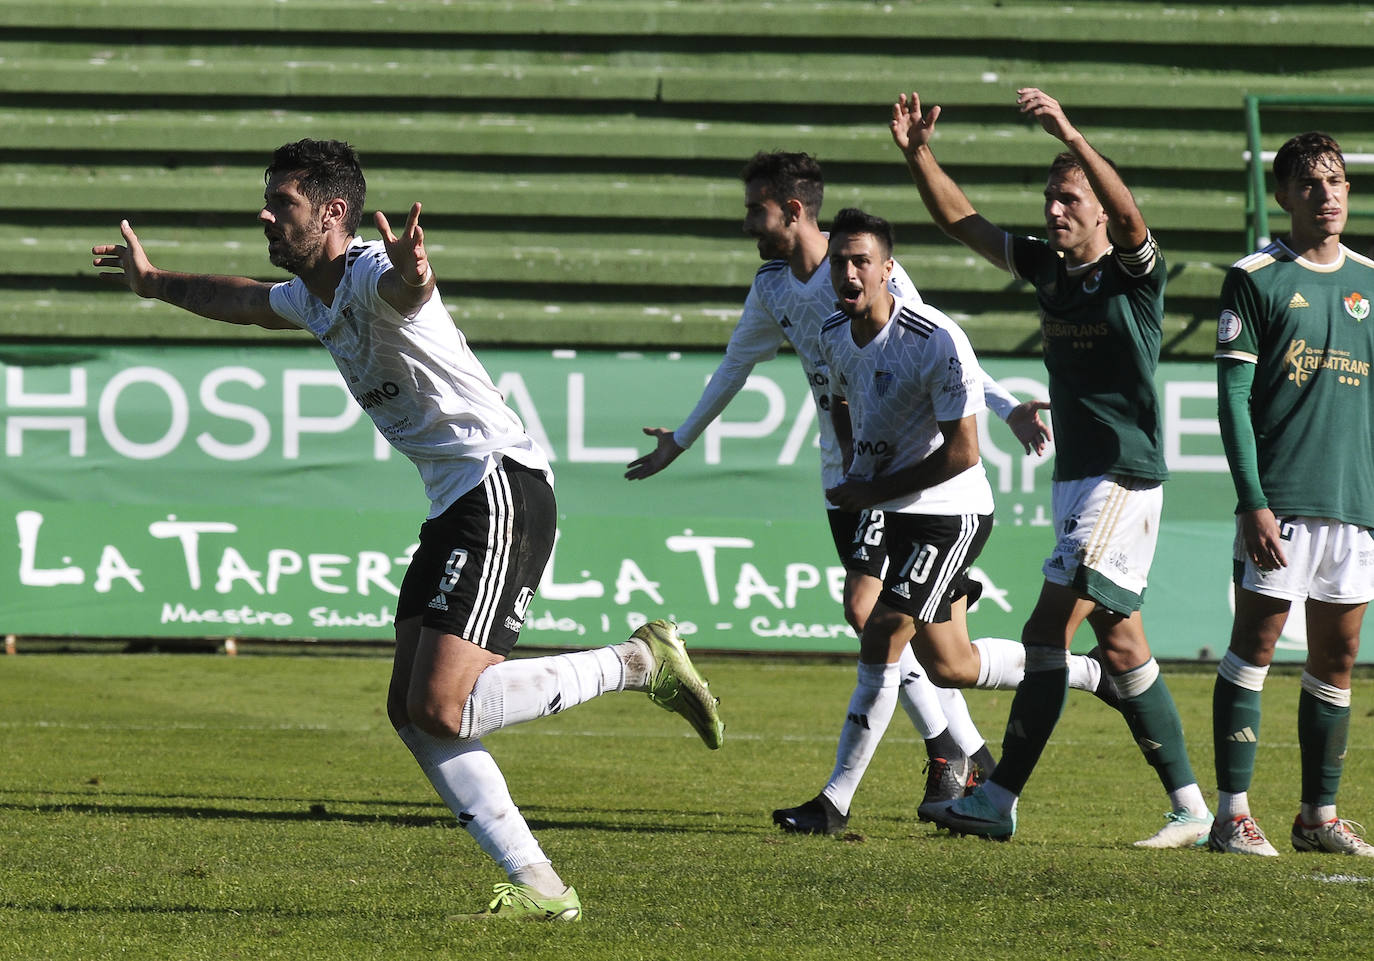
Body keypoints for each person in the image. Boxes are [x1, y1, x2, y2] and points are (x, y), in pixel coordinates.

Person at [91, 138, 725, 920]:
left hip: (498, 485)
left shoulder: (364, 272)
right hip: (455, 502)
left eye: (280, 203)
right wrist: (153, 283)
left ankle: (637, 662)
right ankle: (540, 886)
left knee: (442, 706)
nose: (263, 214)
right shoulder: (312, 294)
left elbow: (409, 286)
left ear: (331, 213)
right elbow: (244, 299)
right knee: (412, 710)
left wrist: (414, 269)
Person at [625, 152, 1087, 830]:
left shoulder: (877, 273)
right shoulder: (776, 288)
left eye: (757, 208)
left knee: (873, 614)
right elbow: (735, 366)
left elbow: (941, 355)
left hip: (903, 481)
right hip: (849, 478)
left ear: (792, 210)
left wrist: (1006, 404)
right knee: (920, 643)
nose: (749, 221)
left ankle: (931, 759)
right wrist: (683, 439)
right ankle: (970, 747)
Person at [894, 88, 1212, 847]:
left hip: (1120, 476)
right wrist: (919, 155)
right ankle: (1196, 808)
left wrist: (1069, 127)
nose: (1055, 211)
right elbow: (960, 222)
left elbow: (1133, 219)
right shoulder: (1048, 270)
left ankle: (996, 795)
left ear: (1098, 209)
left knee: (1046, 631)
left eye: (1070, 198)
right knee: (1123, 646)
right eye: (1049, 199)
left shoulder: (1132, 274)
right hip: (1080, 479)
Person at [771, 208, 1116, 835]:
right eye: (840, 262)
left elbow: (963, 454)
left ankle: (835, 804)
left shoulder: (933, 338)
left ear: (888, 271)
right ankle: (1091, 673)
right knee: (948, 666)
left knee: (881, 631)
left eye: (862, 262)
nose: (848, 273)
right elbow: (841, 397)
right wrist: (855, 466)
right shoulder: (829, 331)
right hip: (884, 502)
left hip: (949, 514)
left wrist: (872, 486)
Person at [1209, 132, 1374, 857]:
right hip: (1283, 500)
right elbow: (1233, 396)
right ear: (1283, 196)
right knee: (1258, 643)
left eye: (1336, 181)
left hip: (1355, 502)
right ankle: (1231, 814)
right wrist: (1253, 499)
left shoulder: (1371, 279)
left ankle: (1316, 814)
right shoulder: (1256, 277)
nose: (1327, 194)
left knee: (1338, 659)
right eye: (1310, 183)